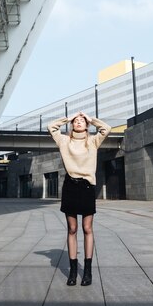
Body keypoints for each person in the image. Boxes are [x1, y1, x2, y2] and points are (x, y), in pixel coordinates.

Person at [47, 111, 111, 286]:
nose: (79, 122)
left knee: (87, 227)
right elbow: (51, 127)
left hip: (87, 187)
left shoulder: (92, 141)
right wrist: (67, 117)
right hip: (70, 187)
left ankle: (88, 272)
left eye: (82, 121)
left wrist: (92, 119)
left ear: (87, 125)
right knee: (72, 229)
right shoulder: (64, 141)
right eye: (76, 121)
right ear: (72, 124)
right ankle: (73, 272)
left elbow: (106, 128)